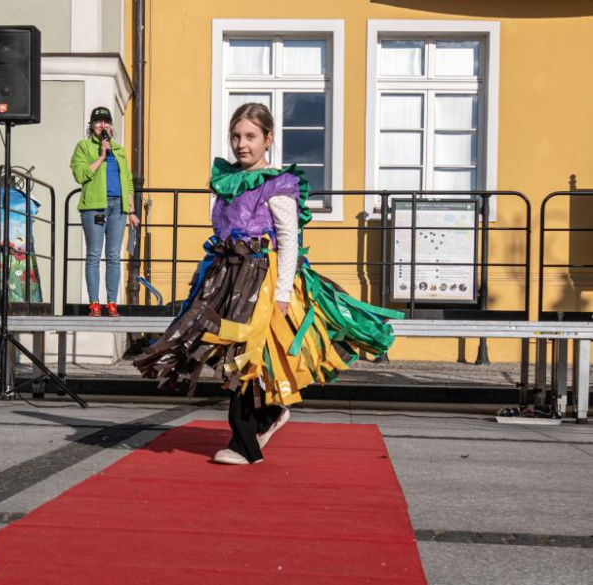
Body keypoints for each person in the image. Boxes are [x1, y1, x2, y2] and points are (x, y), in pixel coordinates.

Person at [135, 103, 403, 465]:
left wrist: (280, 295)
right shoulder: (225, 181)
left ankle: (245, 443)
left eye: (250, 136)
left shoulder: (277, 184)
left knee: (245, 357)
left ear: (268, 138)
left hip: (262, 279)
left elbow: (289, 240)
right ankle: (268, 415)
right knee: (229, 355)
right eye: (236, 136)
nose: (241, 144)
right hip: (228, 277)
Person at [71, 107, 140, 317]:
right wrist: (101, 156)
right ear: (91, 126)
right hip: (95, 206)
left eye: (106, 122)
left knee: (113, 256)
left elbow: (127, 181)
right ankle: (94, 303)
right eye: (98, 122)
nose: (103, 126)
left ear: (111, 126)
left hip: (118, 206)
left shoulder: (119, 150)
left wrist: (132, 211)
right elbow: (80, 174)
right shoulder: (83, 147)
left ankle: (111, 302)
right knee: (93, 255)